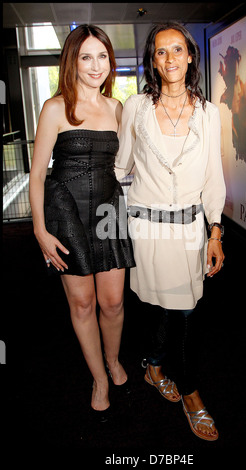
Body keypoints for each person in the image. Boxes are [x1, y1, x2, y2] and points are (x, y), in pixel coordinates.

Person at [115, 22, 226, 441]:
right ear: (153, 61)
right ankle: (155, 366)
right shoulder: (136, 108)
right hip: (148, 232)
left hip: (191, 232)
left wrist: (215, 233)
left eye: (177, 50)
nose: (170, 59)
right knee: (156, 309)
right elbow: (120, 166)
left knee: (189, 314)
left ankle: (190, 392)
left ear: (191, 56)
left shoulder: (208, 112)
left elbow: (214, 178)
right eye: (161, 52)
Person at [29, 24, 135, 421]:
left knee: (113, 302)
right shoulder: (55, 107)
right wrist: (40, 231)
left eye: (102, 56)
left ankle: (113, 359)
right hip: (65, 211)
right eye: (86, 56)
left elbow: (132, 163)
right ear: (72, 60)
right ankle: (100, 379)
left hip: (109, 209)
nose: (95, 65)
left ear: (111, 61)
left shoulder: (117, 108)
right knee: (83, 302)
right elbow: (38, 174)